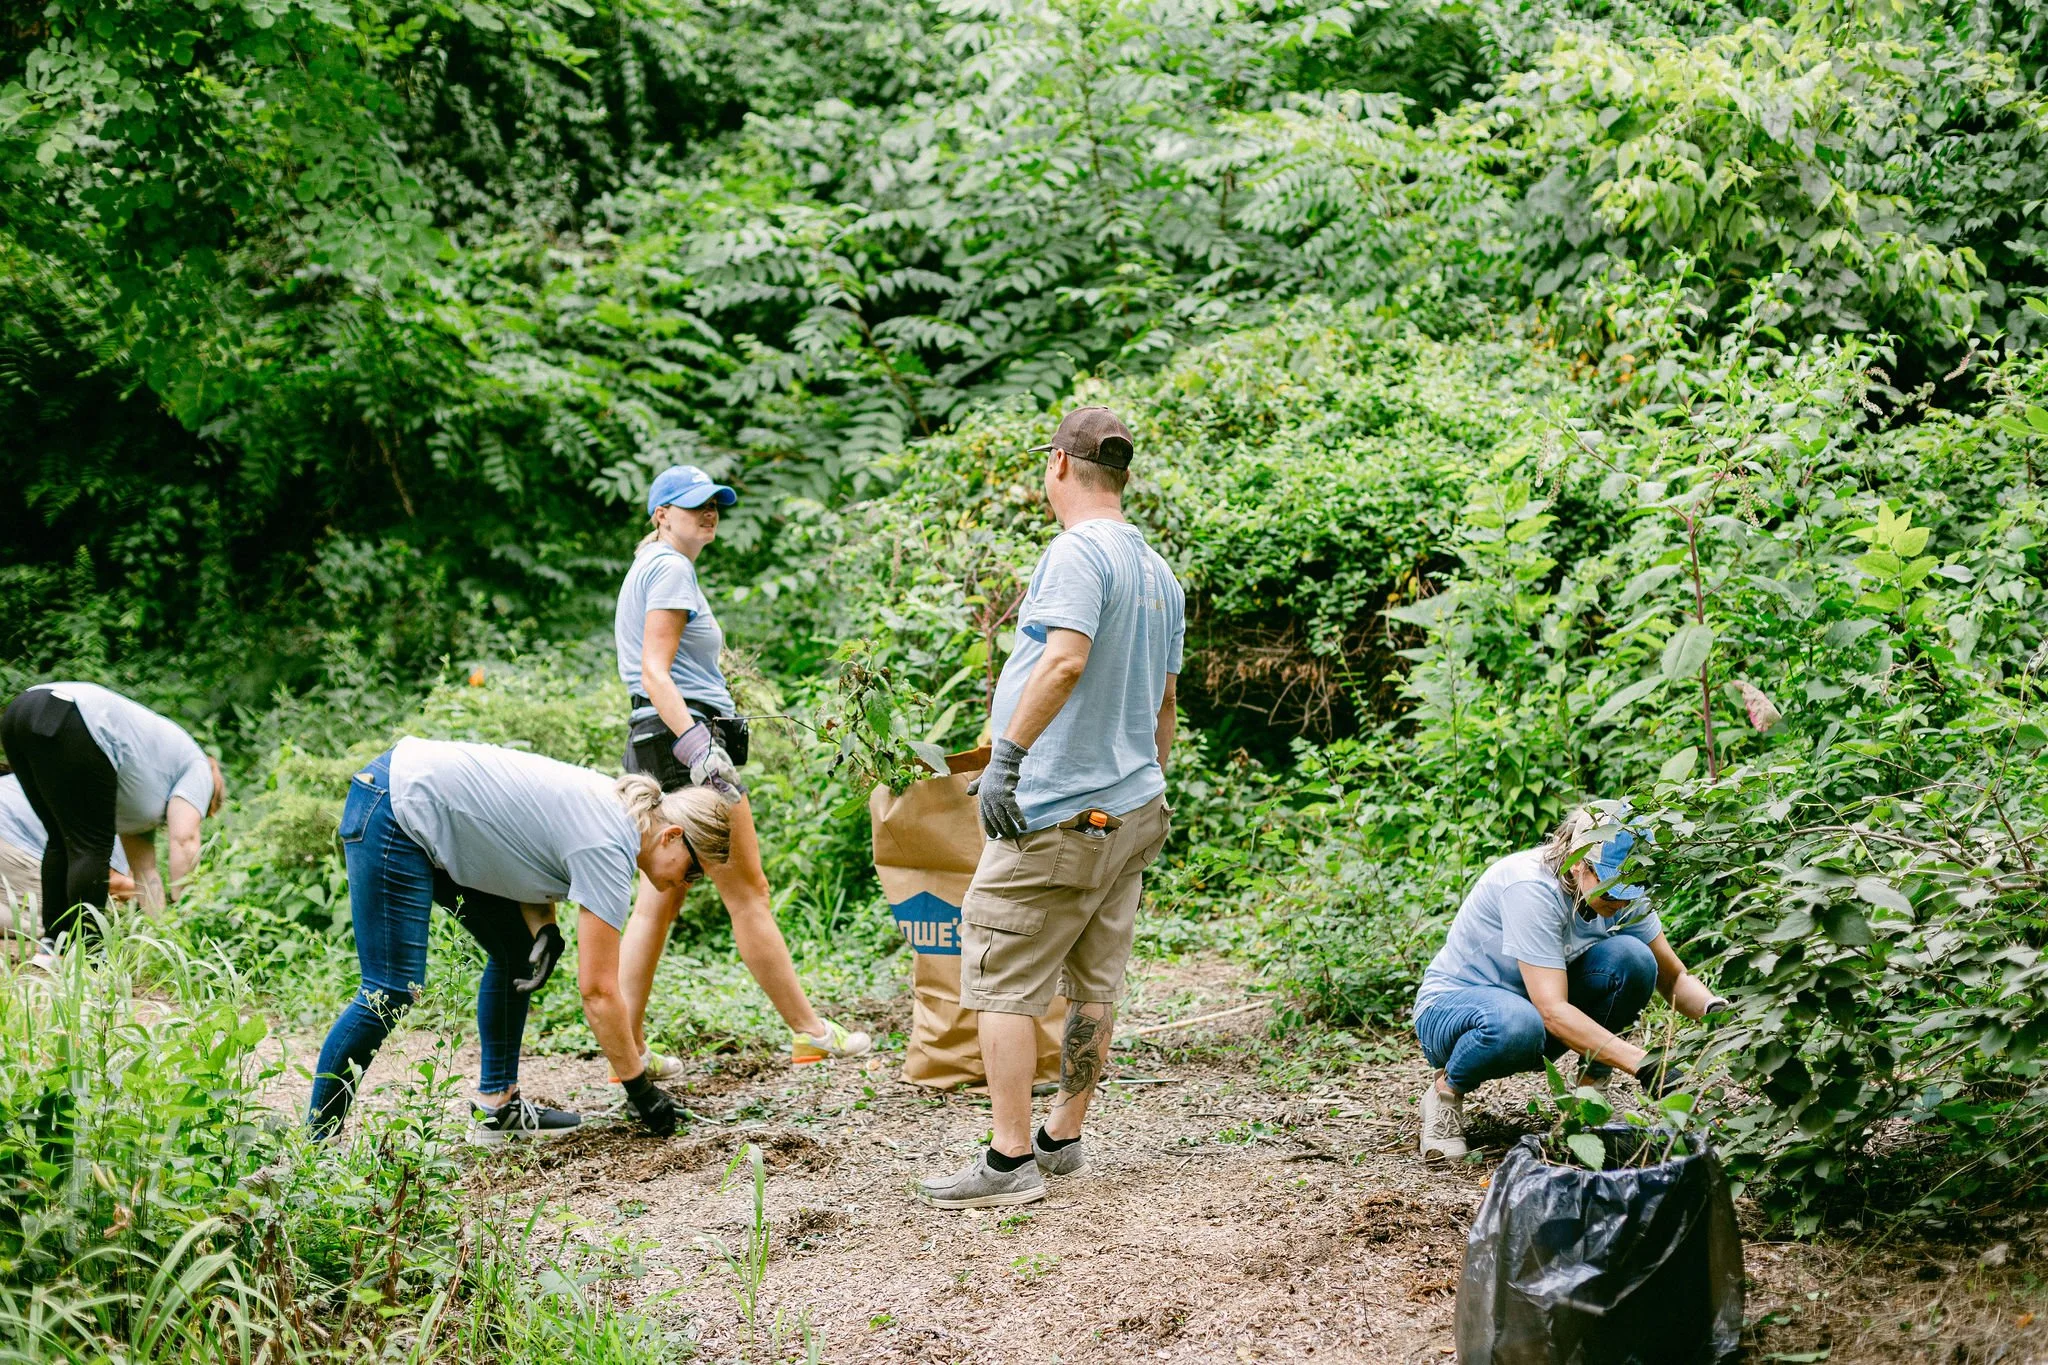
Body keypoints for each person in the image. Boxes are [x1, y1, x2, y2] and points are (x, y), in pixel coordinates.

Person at [915, 405, 1184, 1210]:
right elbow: (1166, 703)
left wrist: (1006, 761)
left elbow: (1063, 662)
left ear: (1059, 467)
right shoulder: (1159, 573)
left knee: (998, 971)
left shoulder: (1076, 553)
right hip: (1132, 808)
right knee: (1095, 979)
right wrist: (1147, 787)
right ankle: (1062, 1136)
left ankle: (1008, 1161)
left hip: (1059, 811)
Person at [307, 737, 702, 1144]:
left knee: (518, 953)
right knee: (390, 988)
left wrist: (544, 927)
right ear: (672, 836)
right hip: (395, 807)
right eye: (694, 870)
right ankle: (318, 1142)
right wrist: (641, 1091)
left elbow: (520, 848)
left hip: (424, 808)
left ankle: (498, 1107)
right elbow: (599, 991)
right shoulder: (611, 843)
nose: (688, 882)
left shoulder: (615, 816)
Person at [612, 464, 869, 1075]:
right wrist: (700, 746)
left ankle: (629, 1048)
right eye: (692, 503)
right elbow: (656, 671)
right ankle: (810, 1033)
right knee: (747, 892)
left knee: (658, 897)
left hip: (652, 741)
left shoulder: (647, 568)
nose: (708, 511)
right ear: (661, 514)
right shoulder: (670, 567)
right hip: (684, 742)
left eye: (714, 503)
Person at [1412, 806, 1730, 1160]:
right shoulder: (1530, 887)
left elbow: (1676, 978)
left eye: (1630, 889)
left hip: (1536, 1013)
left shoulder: (1622, 896)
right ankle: (1445, 1092)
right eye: (1611, 889)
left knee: (1634, 959)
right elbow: (1552, 1011)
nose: (1622, 900)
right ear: (1578, 861)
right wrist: (1645, 1064)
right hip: (1456, 1014)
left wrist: (1721, 1018)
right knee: (1518, 1022)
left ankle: (1587, 1098)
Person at [0, 682, 224, 967]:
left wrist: (164, 934)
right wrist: (187, 910)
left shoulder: (142, 802)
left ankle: (53, 950)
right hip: (73, 717)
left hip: (21, 713)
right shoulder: (200, 770)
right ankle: (91, 955)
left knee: (60, 841)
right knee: (92, 847)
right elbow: (185, 840)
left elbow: (146, 873)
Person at [0, 772, 135, 949]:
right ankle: (57, 940)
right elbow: (112, 882)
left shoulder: (69, 775)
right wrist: (165, 898)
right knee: (68, 915)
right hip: (6, 836)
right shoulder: (103, 815)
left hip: (9, 813)